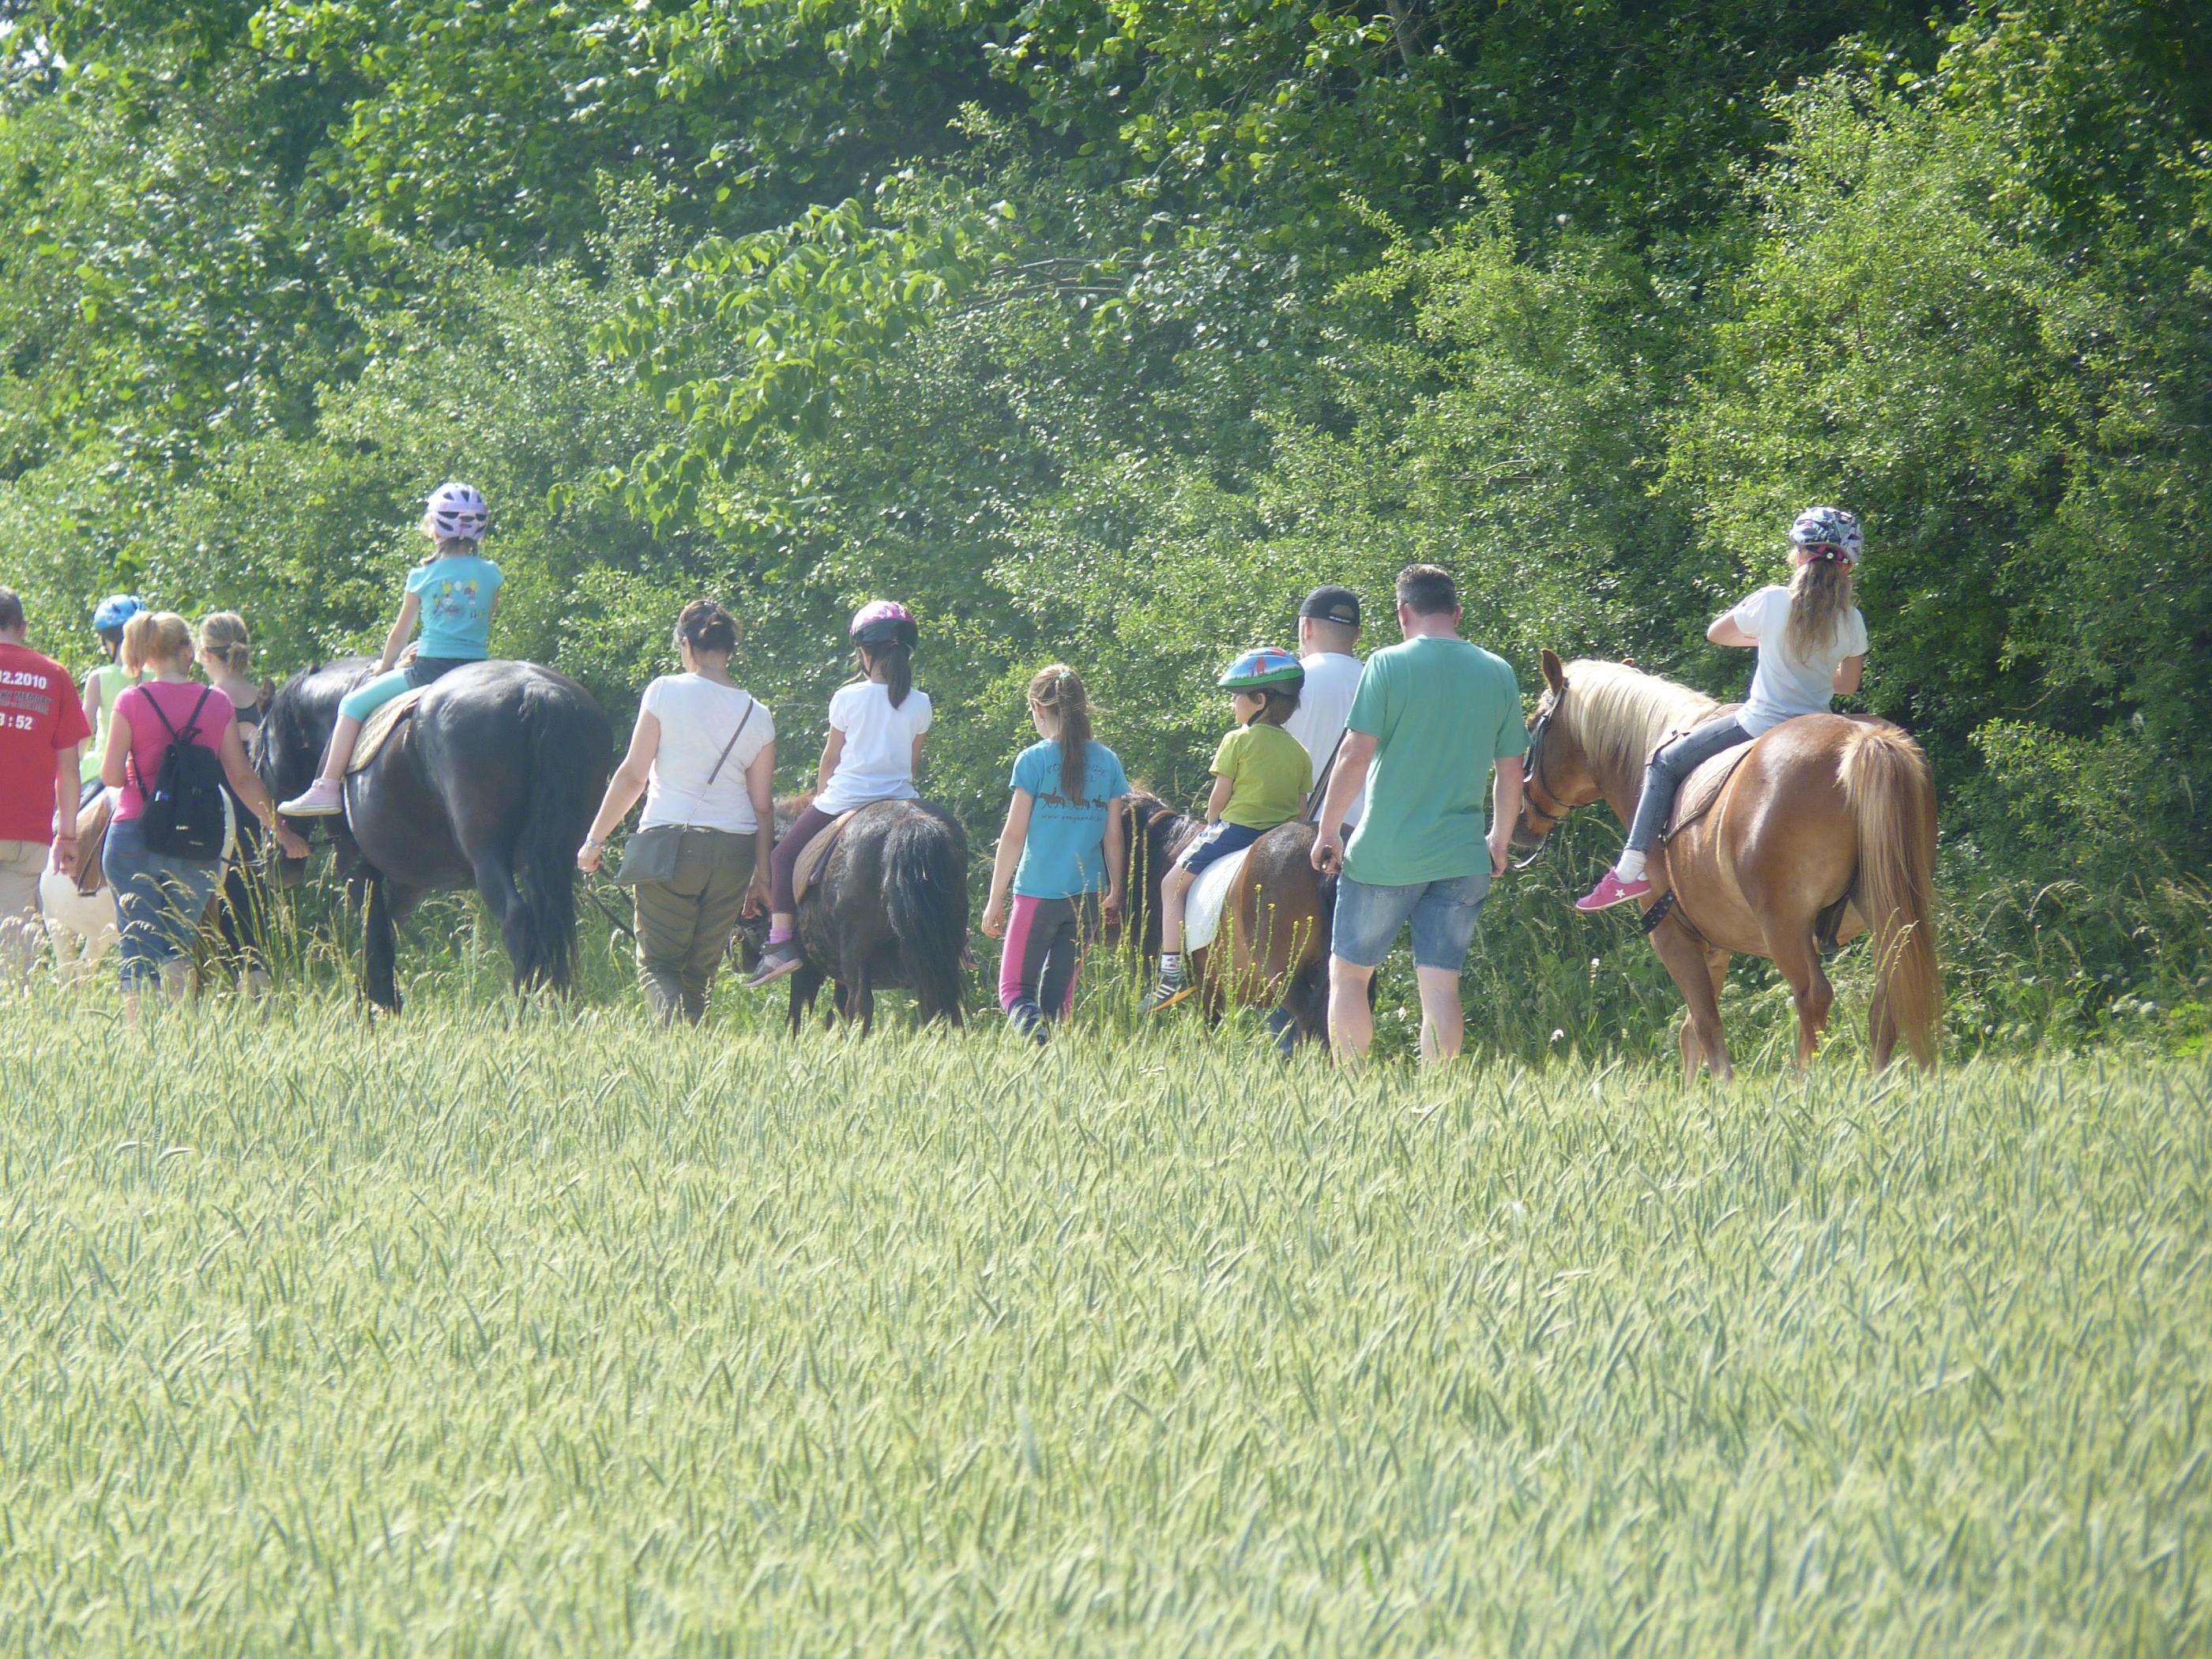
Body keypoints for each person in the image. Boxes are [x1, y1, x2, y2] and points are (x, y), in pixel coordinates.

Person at [1576, 506, 1869, 911]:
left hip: (1759, 725)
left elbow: (1718, 634)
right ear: (1847, 569)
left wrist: (1770, 642)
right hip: (1817, 726)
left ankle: (1630, 871)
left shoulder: (1771, 602)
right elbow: (1848, 685)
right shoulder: (1851, 620)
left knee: (1664, 763)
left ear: (1800, 556)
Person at [1310, 565, 1525, 1066]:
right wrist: (1498, 841)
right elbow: (1511, 772)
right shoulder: (1497, 671)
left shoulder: (1386, 665)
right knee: (1441, 986)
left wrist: (1327, 830)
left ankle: (1350, 1088)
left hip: (1385, 855)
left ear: (1403, 613)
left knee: (1350, 976)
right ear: (1457, 612)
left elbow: (1354, 755)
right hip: (1461, 856)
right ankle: (1439, 1094)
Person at [577, 600, 777, 1025]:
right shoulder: (759, 715)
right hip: (734, 853)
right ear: (731, 650)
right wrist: (762, 877)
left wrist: (595, 841)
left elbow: (633, 776)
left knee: (659, 966)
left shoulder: (664, 691)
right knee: (700, 973)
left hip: (671, 846)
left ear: (686, 645)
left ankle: (678, 1048)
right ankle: (696, 1060)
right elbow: (762, 806)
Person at [100, 611, 307, 1014]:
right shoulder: (216, 702)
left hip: (134, 835)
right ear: (187, 651)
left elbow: (110, 775)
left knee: (137, 946)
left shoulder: (131, 700)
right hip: (198, 838)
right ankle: (178, 1034)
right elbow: (242, 778)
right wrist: (281, 831)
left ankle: (139, 1042)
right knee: (178, 943)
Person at [280, 483, 500, 815]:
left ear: (435, 527)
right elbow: (482, 623)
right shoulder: (491, 573)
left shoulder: (423, 574)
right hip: (475, 670)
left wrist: (384, 665)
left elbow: (399, 634)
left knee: (352, 704)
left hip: (428, 670)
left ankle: (326, 786)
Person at [747, 600, 931, 986]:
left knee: (782, 858)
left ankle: (780, 944)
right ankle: (956, 937)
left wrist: (820, 795)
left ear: (865, 653)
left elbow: (830, 761)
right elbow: (912, 767)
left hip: (844, 799)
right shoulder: (921, 702)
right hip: (900, 799)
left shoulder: (846, 698)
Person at [1142, 647, 1311, 1014]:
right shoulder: (1300, 752)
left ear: (1260, 700)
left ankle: (1170, 973)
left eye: (1237, 696)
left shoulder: (1237, 740)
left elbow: (1219, 799)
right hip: (1281, 833)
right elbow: (1301, 811)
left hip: (1237, 832)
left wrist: (1212, 822)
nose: (1233, 703)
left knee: (1171, 885)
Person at [980, 664, 1130, 1043]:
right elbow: (1113, 836)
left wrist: (995, 898)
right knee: (1056, 1002)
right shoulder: (1108, 761)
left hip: (1037, 895)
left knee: (1015, 991)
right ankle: (1051, 1069)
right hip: (1088, 899)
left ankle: (1038, 1048)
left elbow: (1014, 835)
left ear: (1037, 707)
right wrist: (1116, 889)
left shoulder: (1032, 760)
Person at [0, 586, 90, 984]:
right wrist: (68, 836)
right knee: (16, 947)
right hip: (28, 836)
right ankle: (14, 1018)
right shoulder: (54, 676)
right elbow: (69, 769)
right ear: (23, 627)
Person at [198, 611, 275, 994]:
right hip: (260, 819)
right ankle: (259, 1002)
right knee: (249, 918)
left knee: (205, 915)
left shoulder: (207, 700)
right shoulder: (265, 699)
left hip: (213, 821)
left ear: (203, 653)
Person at [1282, 584, 1365, 824]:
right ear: (1357, 635)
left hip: (1294, 834)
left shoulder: (1286, 683)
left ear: (1306, 627)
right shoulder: (1381, 685)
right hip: (1367, 840)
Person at [79, 592, 144, 803]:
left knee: (58, 820)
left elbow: (83, 733)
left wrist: (73, 761)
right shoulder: (158, 675)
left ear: (108, 640)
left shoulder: (99, 678)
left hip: (103, 768)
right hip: (150, 769)